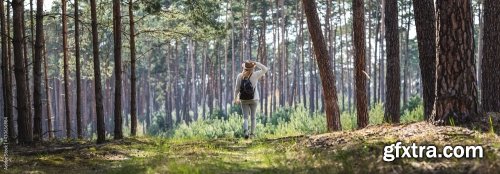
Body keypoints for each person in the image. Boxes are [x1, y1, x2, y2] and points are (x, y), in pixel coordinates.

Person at [234, 60, 269, 139]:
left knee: (245, 117)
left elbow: (236, 89)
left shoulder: (240, 76)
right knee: (253, 117)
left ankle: (246, 132)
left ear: (244, 67)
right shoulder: (255, 74)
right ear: (252, 68)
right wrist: (256, 63)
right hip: (254, 99)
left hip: (243, 99)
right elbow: (265, 69)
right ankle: (252, 134)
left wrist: (235, 98)